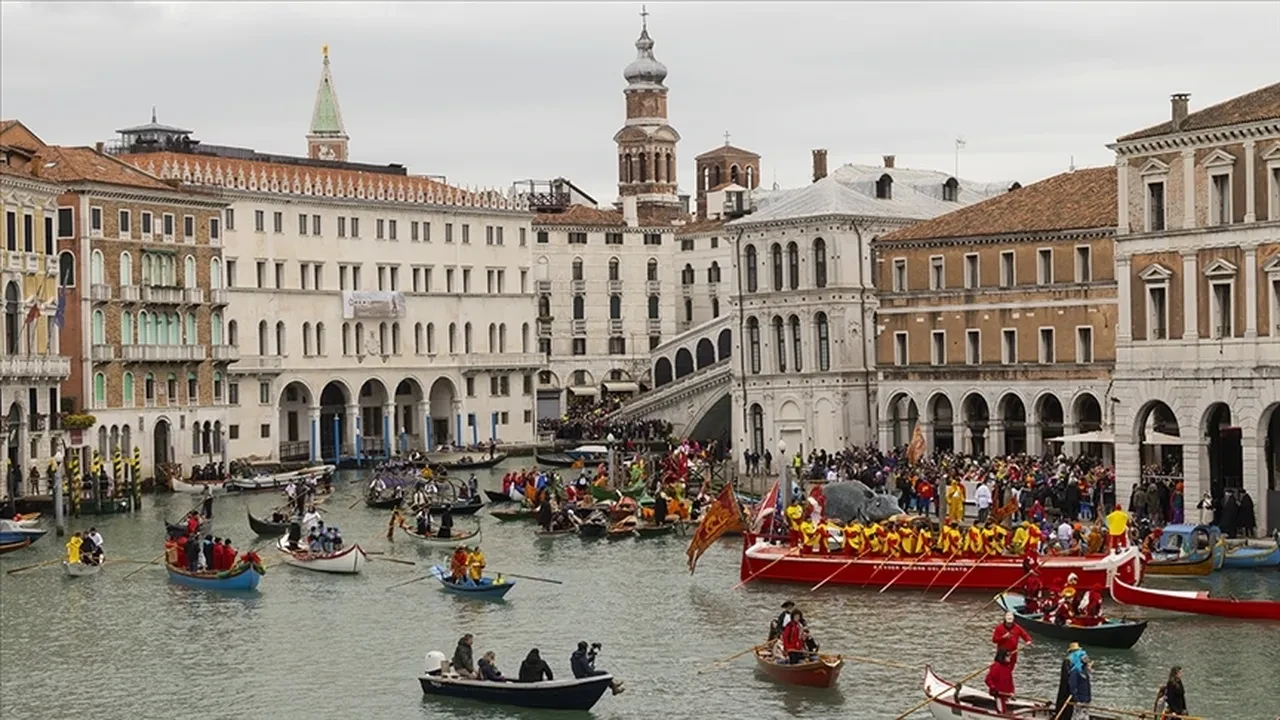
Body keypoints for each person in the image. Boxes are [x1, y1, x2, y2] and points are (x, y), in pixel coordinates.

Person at [984, 649, 1015, 713]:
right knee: (1001, 710)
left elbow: (1010, 681)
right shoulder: (996, 666)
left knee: (1004, 708)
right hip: (998, 694)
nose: (1010, 657)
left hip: (1005, 694)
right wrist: (993, 688)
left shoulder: (1008, 667)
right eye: (1008, 656)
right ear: (1003, 656)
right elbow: (988, 679)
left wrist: (1012, 691)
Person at [1066, 645, 1092, 719]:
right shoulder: (1075, 671)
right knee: (1077, 717)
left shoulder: (1085, 671)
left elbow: (1087, 683)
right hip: (1080, 699)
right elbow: (1072, 686)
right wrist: (1076, 699)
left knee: (1085, 716)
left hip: (1086, 699)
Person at [1054, 643, 1078, 718]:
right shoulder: (1067, 661)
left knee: (1070, 704)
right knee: (1064, 701)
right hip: (1067, 686)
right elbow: (1066, 676)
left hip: (1071, 686)